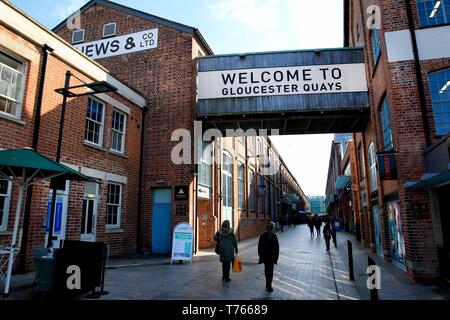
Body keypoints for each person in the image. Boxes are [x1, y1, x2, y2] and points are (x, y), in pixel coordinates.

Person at [258, 221, 279, 292]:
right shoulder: (274, 236)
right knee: (270, 271)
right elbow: (277, 248)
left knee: (267, 270)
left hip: (266, 257)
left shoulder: (262, 236)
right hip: (271, 257)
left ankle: (268, 284)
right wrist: (276, 258)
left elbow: (259, 248)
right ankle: (269, 285)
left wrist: (261, 256)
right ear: (272, 228)